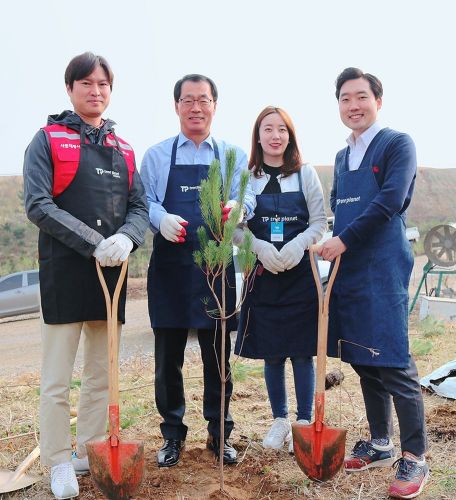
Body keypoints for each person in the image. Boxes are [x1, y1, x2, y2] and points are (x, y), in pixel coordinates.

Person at [23, 52, 148, 499]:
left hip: (111, 276)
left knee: (101, 375)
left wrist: (129, 239)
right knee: (57, 379)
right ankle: (57, 460)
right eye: (86, 84)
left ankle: (90, 449)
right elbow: (38, 204)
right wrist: (92, 242)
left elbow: (139, 208)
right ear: (70, 88)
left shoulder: (123, 149)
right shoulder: (49, 139)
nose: (95, 92)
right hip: (65, 273)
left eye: (103, 85)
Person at [319, 67, 428, 499]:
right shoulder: (344, 157)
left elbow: (391, 199)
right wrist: (330, 238)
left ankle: (415, 457)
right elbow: (337, 207)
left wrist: (343, 239)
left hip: (381, 265)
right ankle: (381, 442)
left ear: (377, 101)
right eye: (345, 99)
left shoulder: (397, 144)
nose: (353, 106)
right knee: (363, 357)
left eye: (361, 97)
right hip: (348, 268)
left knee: (393, 359)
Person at [140, 74, 255, 467]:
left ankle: (219, 433)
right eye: (187, 100)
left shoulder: (232, 155)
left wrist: (240, 209)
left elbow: (247, 194)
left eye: (203, 100)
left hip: (216, 266)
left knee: (217, 355)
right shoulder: (156, 156)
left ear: (214, 106)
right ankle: (172, 435)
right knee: (167, 357)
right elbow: (147, 202)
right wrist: (160, 218)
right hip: (170, 269)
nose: (195, 108)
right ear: (176, 107)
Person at [234, 106, 326, 452]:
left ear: (290, 135)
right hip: (263, 274)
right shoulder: (247, 177)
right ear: (258, 136)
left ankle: (303, 422)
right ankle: (279, 420)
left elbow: (319, 223)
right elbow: (236, 228)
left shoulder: (305, 174)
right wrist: (258, 248)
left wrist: (299, 245)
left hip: (300, 273)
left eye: (282, 129)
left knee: (302, 352)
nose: (275, 136)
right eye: (268, 129)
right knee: (272, 353)